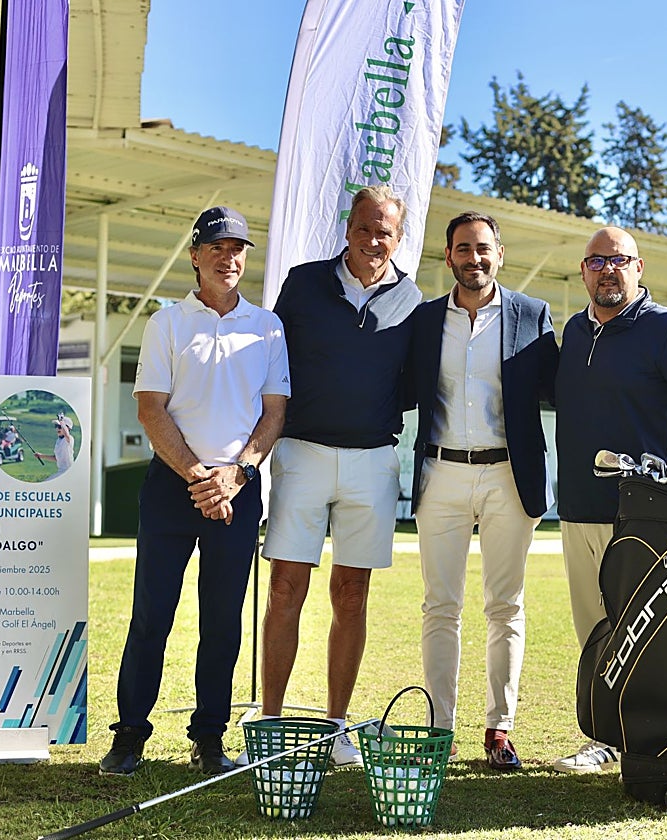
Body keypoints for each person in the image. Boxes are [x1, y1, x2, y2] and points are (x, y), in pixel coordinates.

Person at [100, 205, 289, 776]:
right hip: (172, 488)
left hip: (237, 491)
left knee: (223, 620)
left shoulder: (267, 326)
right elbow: (151, 410)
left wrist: (237, 474)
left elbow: (274, 413)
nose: (229, 259)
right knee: (152, 614)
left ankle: (209, 738)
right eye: (217, 249)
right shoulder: (167, 323)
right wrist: (199, 477)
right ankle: (130, 735)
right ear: (195, 256)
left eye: (238, 250)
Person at [247, 184, 422, 769]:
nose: (375, 240)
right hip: (301, 452)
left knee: (352, 594)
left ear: (399, 240)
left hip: (373, 460)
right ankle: (269, 722)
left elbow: (418, 380)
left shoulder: (411, 300)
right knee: (284, 588)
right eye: (367, 228)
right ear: (348, 229)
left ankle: (336, 726)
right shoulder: (302, 282)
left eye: (387, 233)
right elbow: (270, 359)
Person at [552, 226, 667, 773]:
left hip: (642, 511)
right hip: (578, 506)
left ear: (639, 267)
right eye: (597, 261)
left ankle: (648, 740)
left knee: (643, 632)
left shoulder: (666, 329)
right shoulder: (574, 335)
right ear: (583, 271)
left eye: (619, 260)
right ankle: (606, 735)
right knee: (594, 629)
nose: (608, 270)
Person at [406, 212, 558, 770]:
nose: (475, 258)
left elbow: (565, 389)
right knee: (439, 606)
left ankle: (500, 728)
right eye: (464, 249)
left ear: (500, 253)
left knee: (505, 605)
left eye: (484, 248)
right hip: (441, 474)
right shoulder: (423, 322)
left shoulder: (532, 316)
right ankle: (438, 730)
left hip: (508, 476)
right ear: (448, 257)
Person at [49, 415, 74, 480]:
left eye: (59, 427)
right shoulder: (58, 441)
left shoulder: (69, 439)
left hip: (68, 471)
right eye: (56, 426)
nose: (57, 428)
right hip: (61, 471)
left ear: (67, 428)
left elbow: (67, 435)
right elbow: (56, 458)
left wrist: (61, 421)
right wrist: (40, 456)